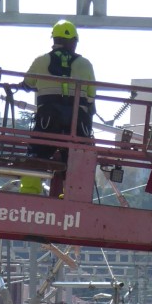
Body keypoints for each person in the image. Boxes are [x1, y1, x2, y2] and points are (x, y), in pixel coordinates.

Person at [20, 20, 96, 193]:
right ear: (74, 41)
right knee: (76, 162)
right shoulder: (85, 64)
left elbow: (27, 83)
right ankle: (71, 199)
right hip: (78, 124)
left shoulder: (41, 61)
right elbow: (91, 96)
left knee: (35, 156)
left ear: (54, 40)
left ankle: (29, 195)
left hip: (48, 122)